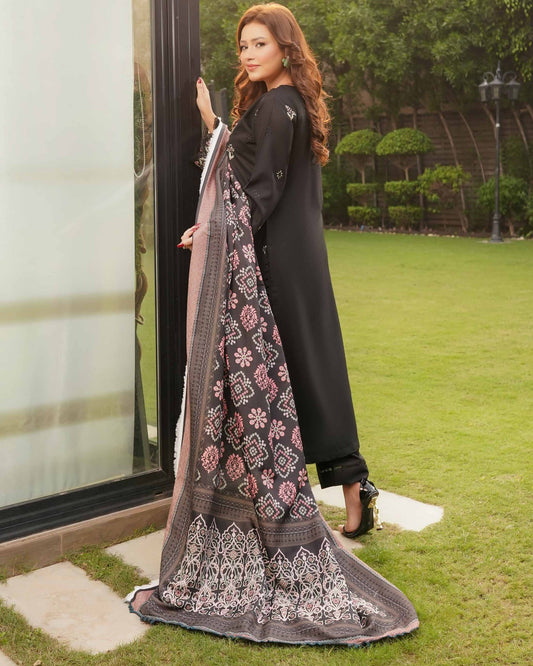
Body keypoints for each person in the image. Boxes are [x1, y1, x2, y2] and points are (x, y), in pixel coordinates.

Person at [129, 3, 418, 645]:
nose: (248, 54)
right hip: (292, 254)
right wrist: (212, 124)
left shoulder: (281, 106)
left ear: (286, 47)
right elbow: (245, 168)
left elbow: (261, 190)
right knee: (312, 369)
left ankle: (347, 487)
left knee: (302, 374)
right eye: (243, 46)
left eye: (259, 43)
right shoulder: (279, 105)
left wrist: (215, 231)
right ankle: (353, 487)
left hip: (281, 262)